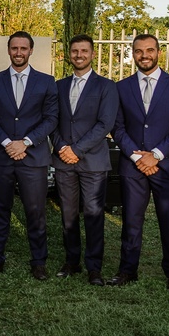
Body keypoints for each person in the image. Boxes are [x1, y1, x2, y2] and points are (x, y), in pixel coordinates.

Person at [110, 34, 169, 292]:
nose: (145, 55)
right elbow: (117, 128)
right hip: (132, 166)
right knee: (131, 219)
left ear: (158, 52)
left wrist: (155, 155)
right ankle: (127, 270)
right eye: (139, 51)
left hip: (166, 165)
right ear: (133, 54)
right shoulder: (121, 87)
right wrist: (137, 156)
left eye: (150, 50)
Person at [0, 31, 58, 279]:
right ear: (9, 50)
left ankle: (39, 262)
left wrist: (25, 143)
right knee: (0, 210)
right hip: (1, 156)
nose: (19, 52)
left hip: (33, 157)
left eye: (23, 48)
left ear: (31, 50)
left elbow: (51, 119)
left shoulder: (46, 82)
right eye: (14, 48)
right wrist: (6, 142)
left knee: (35, 212)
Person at [50, 34, 119, 286]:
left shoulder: (106, 86)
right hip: (63, 160)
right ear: (69, 54)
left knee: (93, 214)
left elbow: (105, 124)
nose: (79, 55)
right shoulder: (58, 86)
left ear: (92, 54)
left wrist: (76, 150)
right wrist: (61, 146)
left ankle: (94, 267)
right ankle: (71, 261)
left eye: (84, 51)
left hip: (92, 161)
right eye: (75, 51)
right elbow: (52, 120)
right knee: (68, 214)